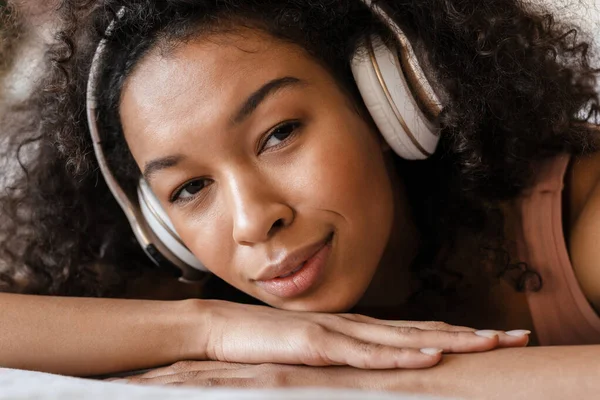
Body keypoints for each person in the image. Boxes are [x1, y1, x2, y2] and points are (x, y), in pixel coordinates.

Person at [0, 0, 599, 397]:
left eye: (278, 134)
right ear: (159, 227)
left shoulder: (581, 215)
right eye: (188, 189)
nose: (254, 221)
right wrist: (205, 329)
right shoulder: (192, 294)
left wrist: (359, 382)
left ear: (388, 102)